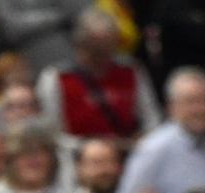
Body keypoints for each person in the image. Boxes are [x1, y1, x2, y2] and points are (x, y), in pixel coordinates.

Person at [36, 8, 162, 147]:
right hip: (77, 158)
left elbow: (152, 120)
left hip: (128, 152)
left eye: (109, 47)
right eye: (96, 49)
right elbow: (52, 134)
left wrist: (139, 142)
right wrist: (92, 147)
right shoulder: (56, 78)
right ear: (81, 45)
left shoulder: (131, 71)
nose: (104, 55)